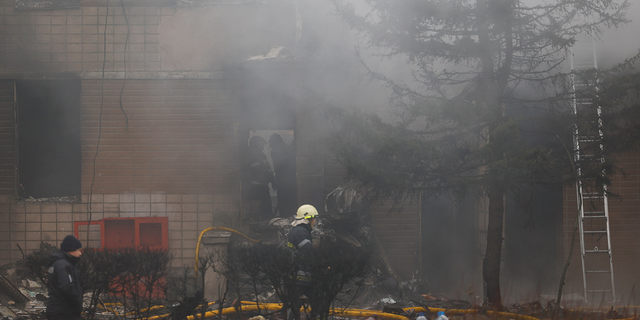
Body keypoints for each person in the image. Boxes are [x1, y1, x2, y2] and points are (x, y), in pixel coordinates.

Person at [46, 235, 84, 320]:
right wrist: (77, 302)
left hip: (57, 310)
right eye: (78, 250)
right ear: (71, 252)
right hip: (65, 312)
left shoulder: (56, 263)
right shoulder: (64, 265)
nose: (80, 253)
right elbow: (67, 287)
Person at [287, 204, 318, 298]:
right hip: (301, 276)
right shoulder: (301, 233)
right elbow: (308, 251)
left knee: (294, 304)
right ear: (307, 220)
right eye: (313, 219)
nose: (315, 221)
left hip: (298, 275)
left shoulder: (298, 231)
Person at [242, 135, 276, 220]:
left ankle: (267, 229)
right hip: (254, 189)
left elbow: (267, 168)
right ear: (255, 145)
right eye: (261, 145)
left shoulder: (262, 155)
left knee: (267, 211)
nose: (262, 148)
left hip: (263, 187)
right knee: (255, 212)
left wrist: (272, 180)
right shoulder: (247, 156)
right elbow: (246, 173)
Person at [269, 133, 298, 217]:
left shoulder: (275, 151)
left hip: (283, 180)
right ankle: (292, 217)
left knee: (283, 201)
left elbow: (278, 166)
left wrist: (277, 181)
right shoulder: (290, 149)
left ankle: (285, 217)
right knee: (291, 200)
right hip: (291, 179)